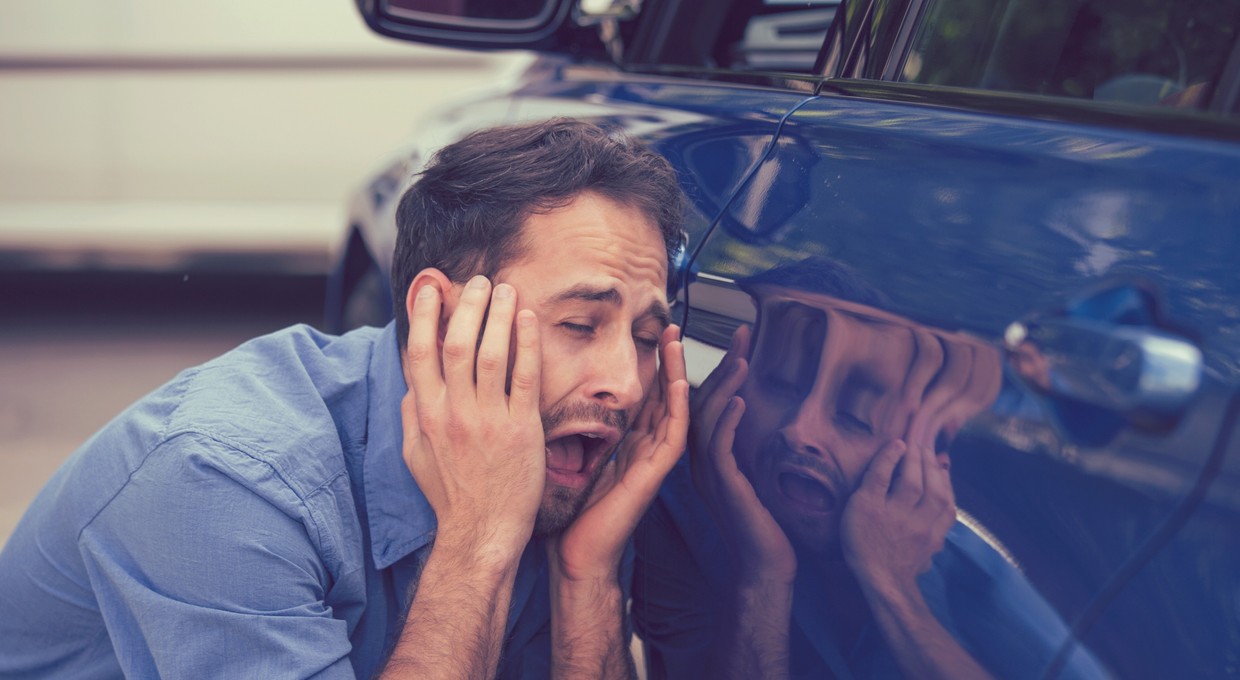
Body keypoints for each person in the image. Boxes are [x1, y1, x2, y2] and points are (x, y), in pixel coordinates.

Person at [0, 118, 690, 679]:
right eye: (579, 324)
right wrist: (478, 542)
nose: (625, 384)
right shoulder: (222, 477)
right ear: (441, 318)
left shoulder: (564, 466)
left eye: (645, 336)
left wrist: (587, 577)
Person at [632, 258, 1108, 679]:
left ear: (928, 457)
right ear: (729, 379)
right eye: (781, 384)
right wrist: (763, 578)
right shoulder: (679, 512)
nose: (802, 430)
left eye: (856, 414)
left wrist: (895, 593)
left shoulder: (974, 579)